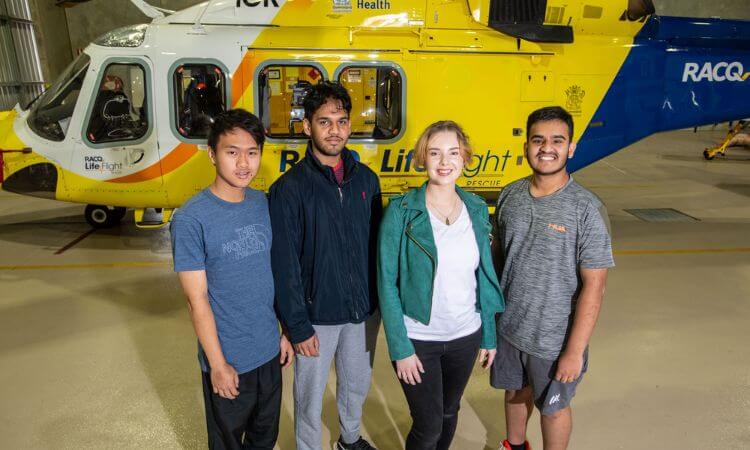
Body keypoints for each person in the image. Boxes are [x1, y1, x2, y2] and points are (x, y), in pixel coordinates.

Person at [491, 106, 615, 450]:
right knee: (515, 392)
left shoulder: (586, 208)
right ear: (526, 146)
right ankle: (514, 445)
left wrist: (574, 352)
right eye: (538, 140)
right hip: (511, 329)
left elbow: (595, 285)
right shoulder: (510, 196)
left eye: (557, 140)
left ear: (571, 148)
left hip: (554, 340)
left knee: (554, 408)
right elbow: (498, 264)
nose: (547, 148)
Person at [170, 109, 294, 450]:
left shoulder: (261, 203)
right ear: (212, 154)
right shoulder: (191, 219)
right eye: (232, 152)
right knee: (227, 443)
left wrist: (282, 331)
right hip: (229, 361)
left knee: (264, 438)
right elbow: (197, 301)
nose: (244, 163)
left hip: (269, 352)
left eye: (252, 152)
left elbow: (273, 273)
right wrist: (218, 364)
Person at [377, 120, 505, 450]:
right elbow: (386, 282)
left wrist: (488, 334)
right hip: (419, 338)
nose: (444, 162)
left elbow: (485, 277)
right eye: (435, 153)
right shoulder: (402, 211)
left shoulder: (477, 209)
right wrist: (400, 347)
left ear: (464, 158)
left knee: (449, 412)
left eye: (453, 153)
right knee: (429, 425)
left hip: (465, 335)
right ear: (423, 158)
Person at [268, 81, 382, 450]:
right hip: (315, 316)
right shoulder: (289, 189)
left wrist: (378, 306)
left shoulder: (367, 181)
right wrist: (297, 326)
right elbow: (284, 264)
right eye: (324, 121)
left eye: (342, 121)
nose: (335, 130)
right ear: (307, 127)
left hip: (361, 312)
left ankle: (350, 439)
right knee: (309, 396)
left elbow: (375, 248)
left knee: (356, 384)